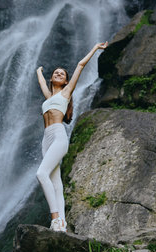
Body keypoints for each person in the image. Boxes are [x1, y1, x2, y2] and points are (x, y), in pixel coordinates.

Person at [36, 42, 108, 232]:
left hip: (59, 135)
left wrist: (95, 48)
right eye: (55, 73)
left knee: (41, 174)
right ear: (52, 79)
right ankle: (63, 223)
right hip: (46, 138)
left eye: (62, 74)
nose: (58, 74)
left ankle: (55, 219)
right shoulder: (48, 97)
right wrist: (38, 71)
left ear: (66, 82)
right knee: (55, 181)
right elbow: (42, 83)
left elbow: (80, 66)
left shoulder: (67, 93)